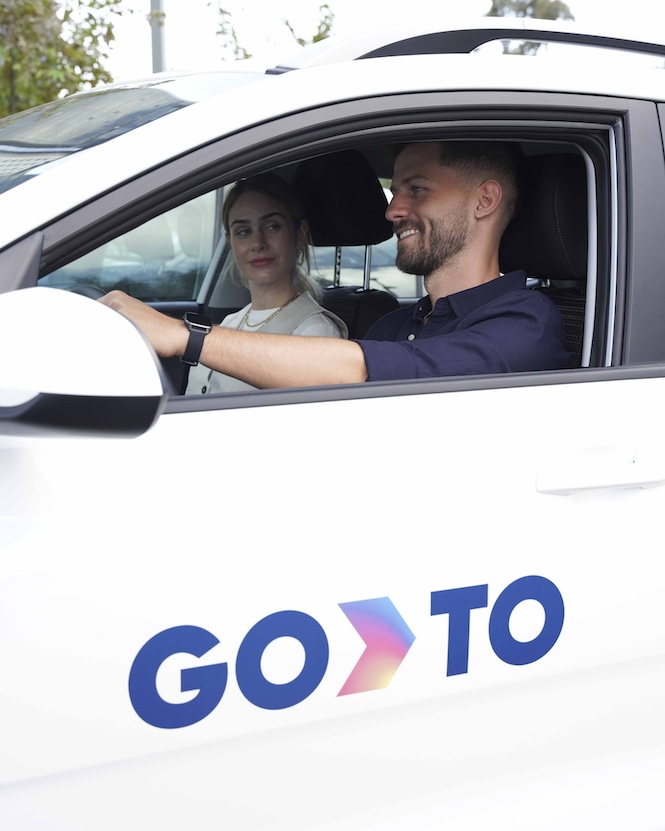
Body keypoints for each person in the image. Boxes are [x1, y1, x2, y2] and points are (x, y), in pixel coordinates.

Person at [99, 140, 569, 387]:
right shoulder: (392, 324)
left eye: (417, 189)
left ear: (484, 199)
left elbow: (390, 369)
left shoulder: (525, 321)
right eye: (394, 190)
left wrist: (185, 337)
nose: (392, 210)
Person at [186, 173, 347, 394]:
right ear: (230, 242)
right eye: (243, 232)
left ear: (300, 234)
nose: (257, 243)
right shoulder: (228, 323)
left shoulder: (317, 332)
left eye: (272, 226)